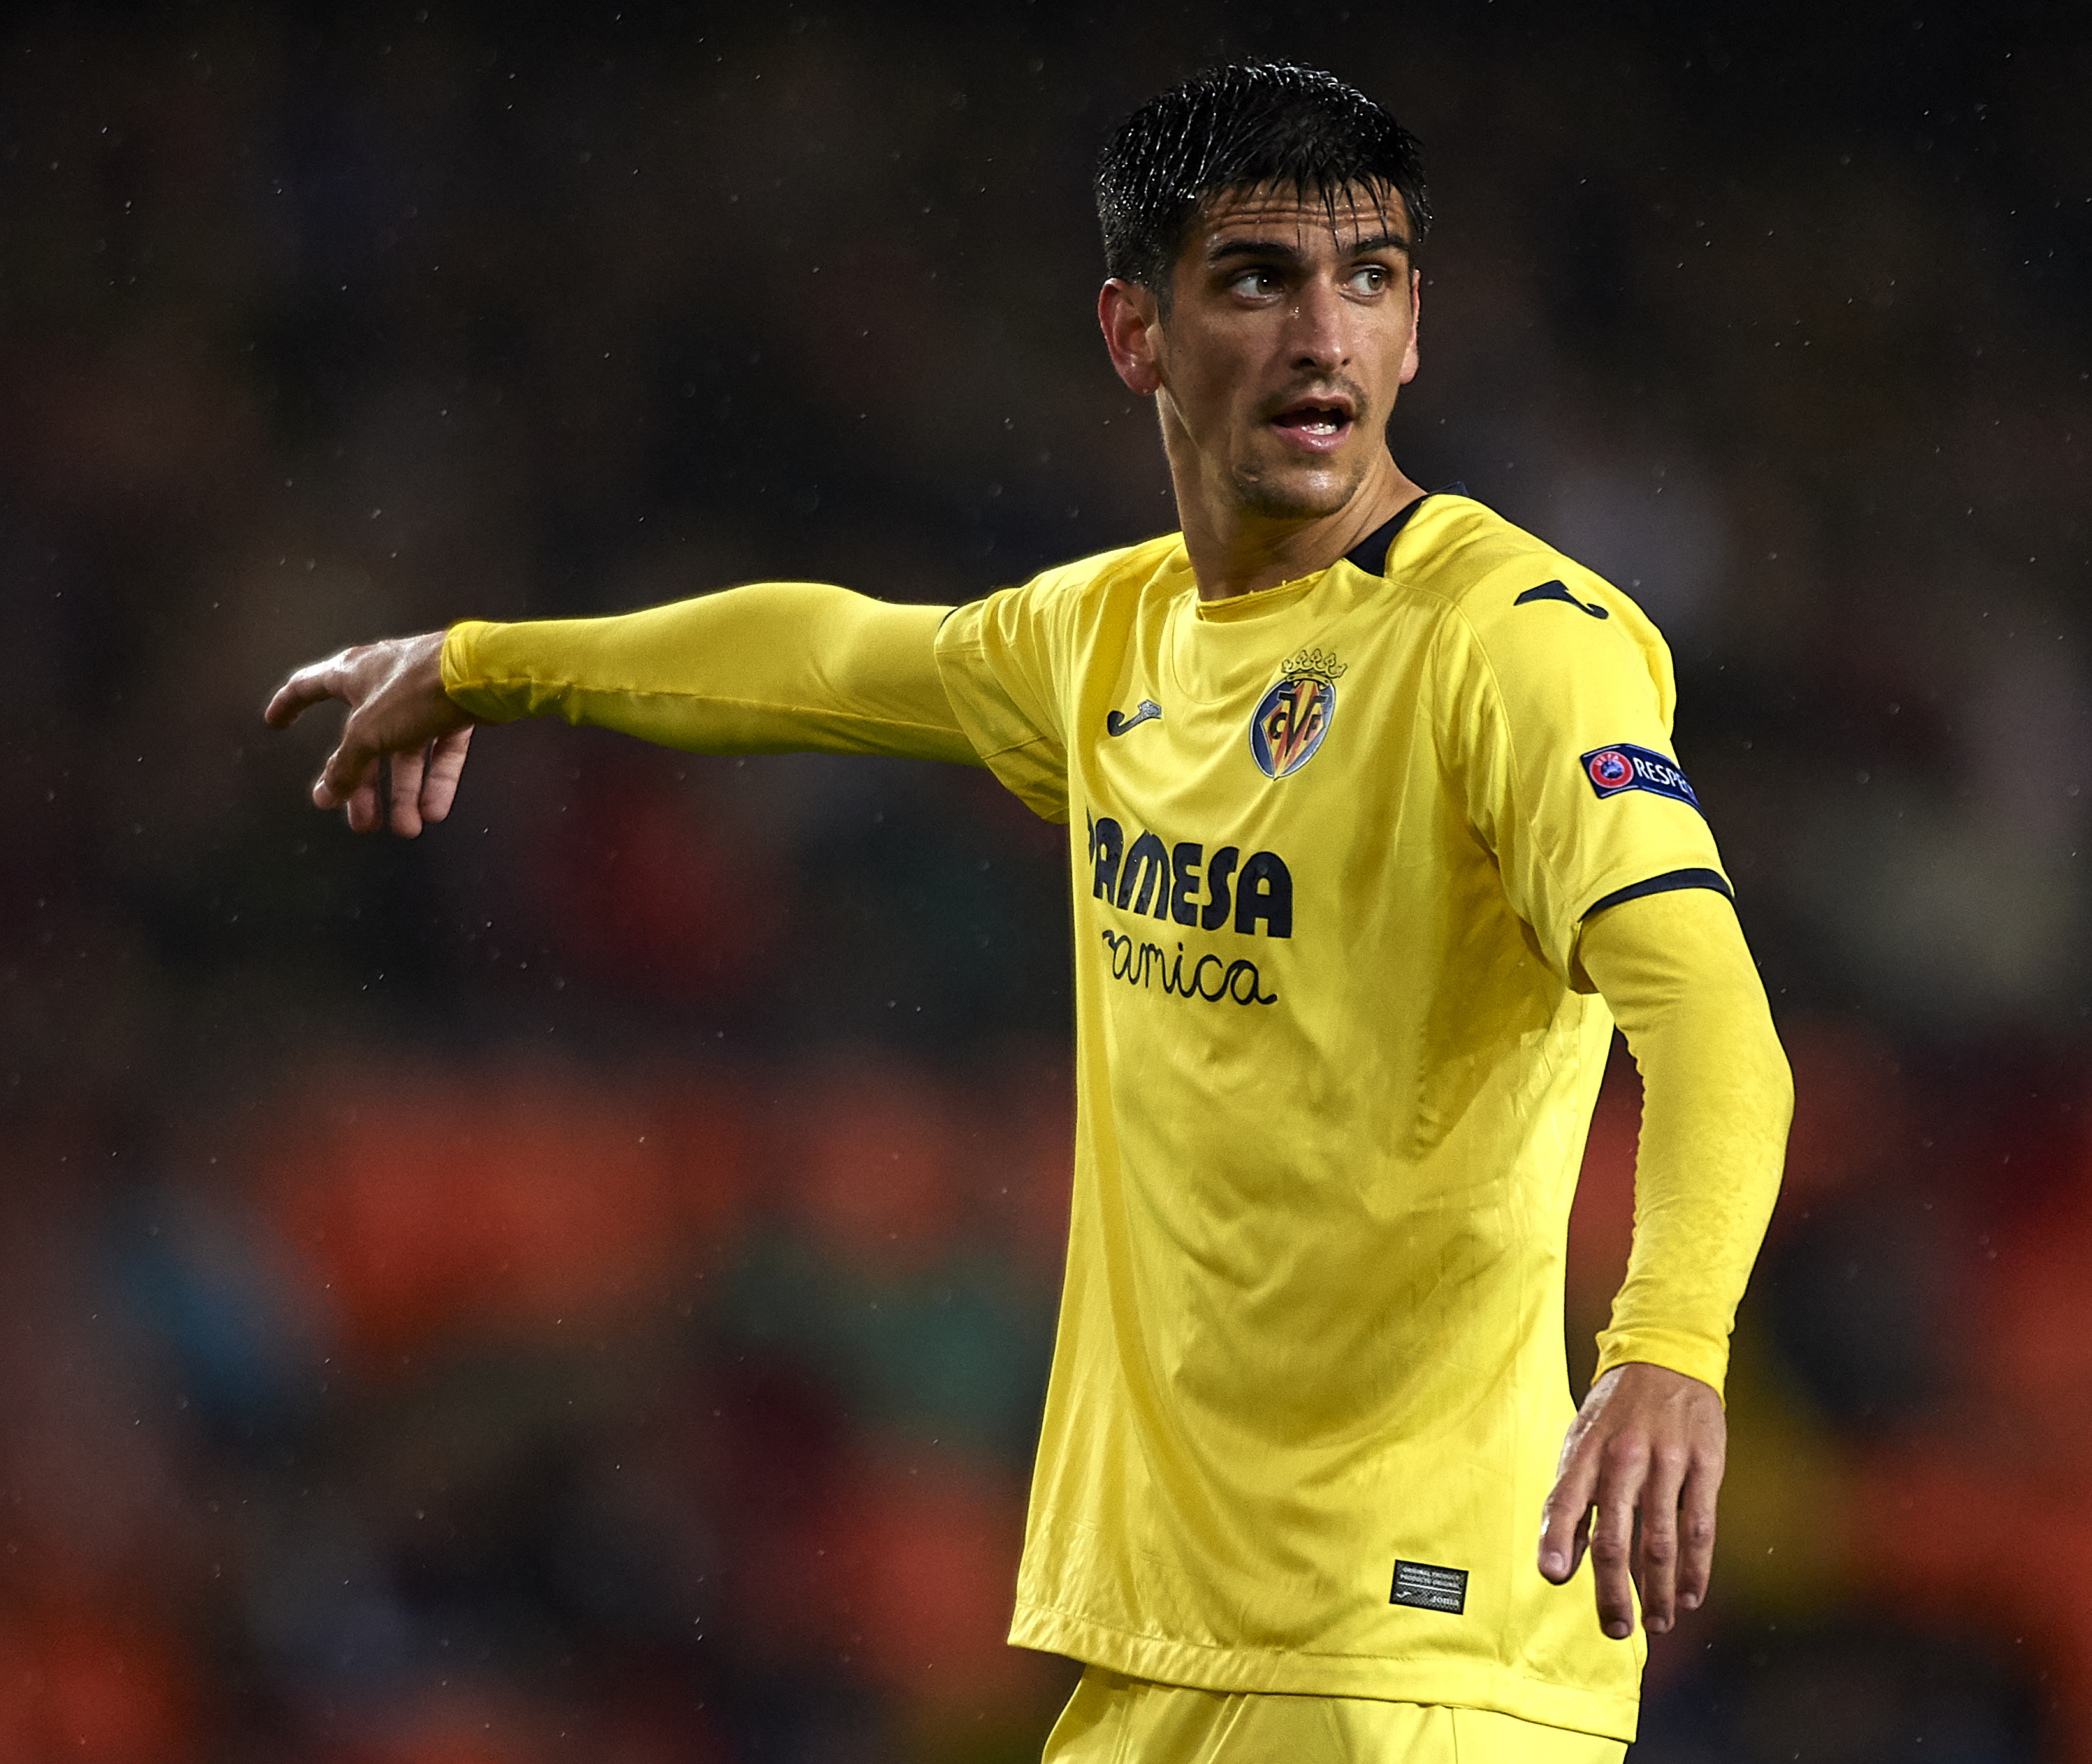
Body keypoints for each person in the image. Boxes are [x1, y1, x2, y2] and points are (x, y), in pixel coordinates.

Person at [266, 62, 1790, 1763]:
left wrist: (1668, 1348)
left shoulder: (1511, 645)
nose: (1321, 338)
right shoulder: (1110, 643)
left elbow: (1715, 1020)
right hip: (1172, 1640)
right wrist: (480, 665)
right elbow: (830, 655)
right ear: (1135, 332)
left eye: (1367, 282)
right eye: (1255, 281)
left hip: (1412, 1645)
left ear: (1416, 330)